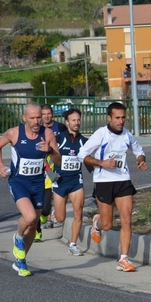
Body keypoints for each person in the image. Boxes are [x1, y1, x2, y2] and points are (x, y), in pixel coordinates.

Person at [79, 102, 148, 272]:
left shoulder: (127, 135)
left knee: (127, 219)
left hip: (123, 180)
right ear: (109, 118)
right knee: (108, 225)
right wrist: (102, 162)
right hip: (103, 181)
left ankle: (123, 259)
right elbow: (82, 155)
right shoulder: (100, 134)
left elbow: (139, 151)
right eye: (117, 118)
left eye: (123, 117)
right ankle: (97, 223)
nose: (121, 121)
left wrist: (140, 160)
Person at [0, 103, 60, 277]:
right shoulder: (14, 133)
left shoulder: (48, 134)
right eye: (32, 118)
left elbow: (58, 161)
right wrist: (1, 165)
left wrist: (51, 150)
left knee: (33, 225)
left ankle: (21, 261)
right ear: (24, 118)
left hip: (38, 183)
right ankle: (18, 237)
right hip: (18, 182)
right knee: (29, 217)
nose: (37, 121)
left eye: (39, 117)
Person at [52, 107, 91, 256]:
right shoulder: (59, 138)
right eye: (73, 120)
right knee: (61, 218)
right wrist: (50, 175)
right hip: (60, 181)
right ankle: (56, 211)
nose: (76, 123)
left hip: (76, 181)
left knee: (78, 213)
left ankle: (73, 245)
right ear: (67, 122)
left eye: (78, 120)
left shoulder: (84, 141)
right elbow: (46, 158)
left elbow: (88, 160)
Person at [36, 104, 68, 240]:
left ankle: (47, 215)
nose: (46, 116)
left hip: (55, 164)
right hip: (39, 166)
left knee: (47, 203)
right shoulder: (37, 129)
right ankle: (37, 232)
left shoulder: (60, 128)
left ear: (52, 114)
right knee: (36, 201)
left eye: (48, 113)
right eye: (43, 114)